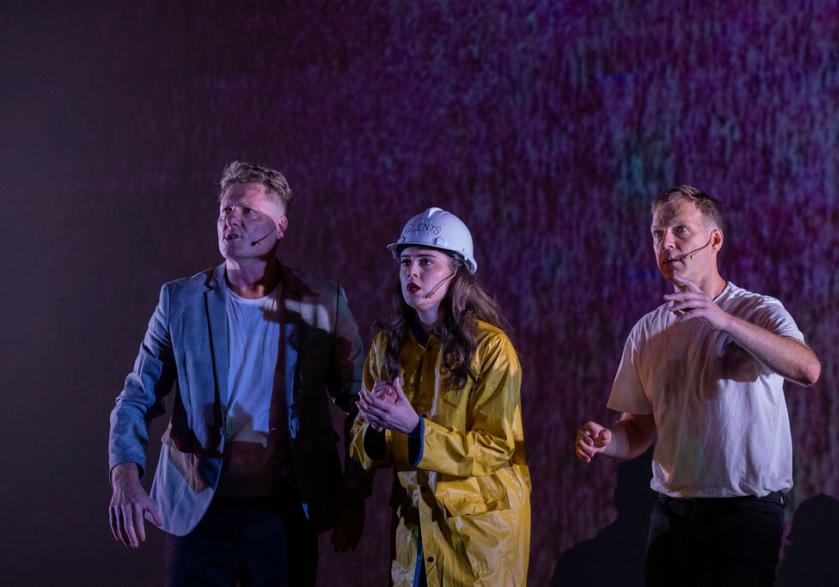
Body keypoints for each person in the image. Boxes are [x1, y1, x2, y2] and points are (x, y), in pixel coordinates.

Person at [108, 161, 370, 586]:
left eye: (249, 212)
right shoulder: (181, 301)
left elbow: (361, 403)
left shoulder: (324, 302)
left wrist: (355, 490)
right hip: (199, 511)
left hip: (285, 513)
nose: (233, 218)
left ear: (280, 227)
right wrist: (124, 476)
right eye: (226, 210)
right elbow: (137, 396)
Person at [575, 185, 821, 587]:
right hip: (673, 514)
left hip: (744, 514)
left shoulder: (757, 310)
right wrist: (606, 441)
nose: (666, 244)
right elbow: (636, 430)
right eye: (657, 234)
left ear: (715, 240)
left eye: (680, 230)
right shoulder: (647, 331)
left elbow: (807, 368)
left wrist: (721, 320)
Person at [350, 207, 531, 586]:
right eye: (406, 262)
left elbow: (498, 446)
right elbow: (362, 442)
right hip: (415, 533)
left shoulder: (492, 348)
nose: (412, 273)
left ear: (457, 273)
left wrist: (415, 430)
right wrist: (373, 428)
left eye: (426, 262)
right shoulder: (387, 345)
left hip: (476, 540)